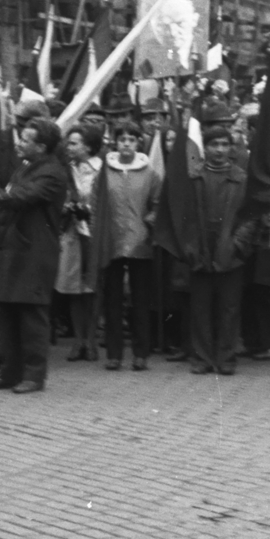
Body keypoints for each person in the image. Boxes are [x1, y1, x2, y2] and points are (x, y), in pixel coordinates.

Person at [0, 117, 68, 393]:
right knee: (8, 316)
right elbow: (11, 205)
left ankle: (34, 375)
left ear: (41, 147)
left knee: (31, 318)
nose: (19, 143)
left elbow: (22, 198)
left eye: (25, 140)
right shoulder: (24, 169)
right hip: (12, 252)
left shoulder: (52, 172)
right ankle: (9, 372)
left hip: (34, 254)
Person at [185, 118, 253, 375]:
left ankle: (226, 356)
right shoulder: (195, 177)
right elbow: (185, 215)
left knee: (229, 306)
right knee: (201, 306)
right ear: (206, 147)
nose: (220, 150)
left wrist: (237, 244)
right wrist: (191, 245)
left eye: (225, 144)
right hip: (201, 247)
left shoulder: (241, 179)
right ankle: (202, 356)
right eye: (214, 144)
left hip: (230, 249)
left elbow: (250, 217)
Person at [92, 120, 160, 371]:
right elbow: (96, 201)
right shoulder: (105, 171)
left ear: (138, 143)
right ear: (115, 142)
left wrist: (148, 223)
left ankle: (141, 353)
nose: (127, 144)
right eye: (122, 139)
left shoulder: (150, 172)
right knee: (112, 299)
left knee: (140, 299)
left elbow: (158, 202)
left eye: (131, 139)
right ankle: (114, 354)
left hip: (140, 241)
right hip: (112, 241)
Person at [55, 126, 103, 361]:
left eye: (74, 143)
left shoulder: (102, 169)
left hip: (93, 233)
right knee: (73, 287)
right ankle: (78, 340)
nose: (69, 147)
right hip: (72, 232)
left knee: (91, 288)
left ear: (89, 146)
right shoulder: (65, 170)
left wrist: (88, 210)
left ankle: (91, 340)